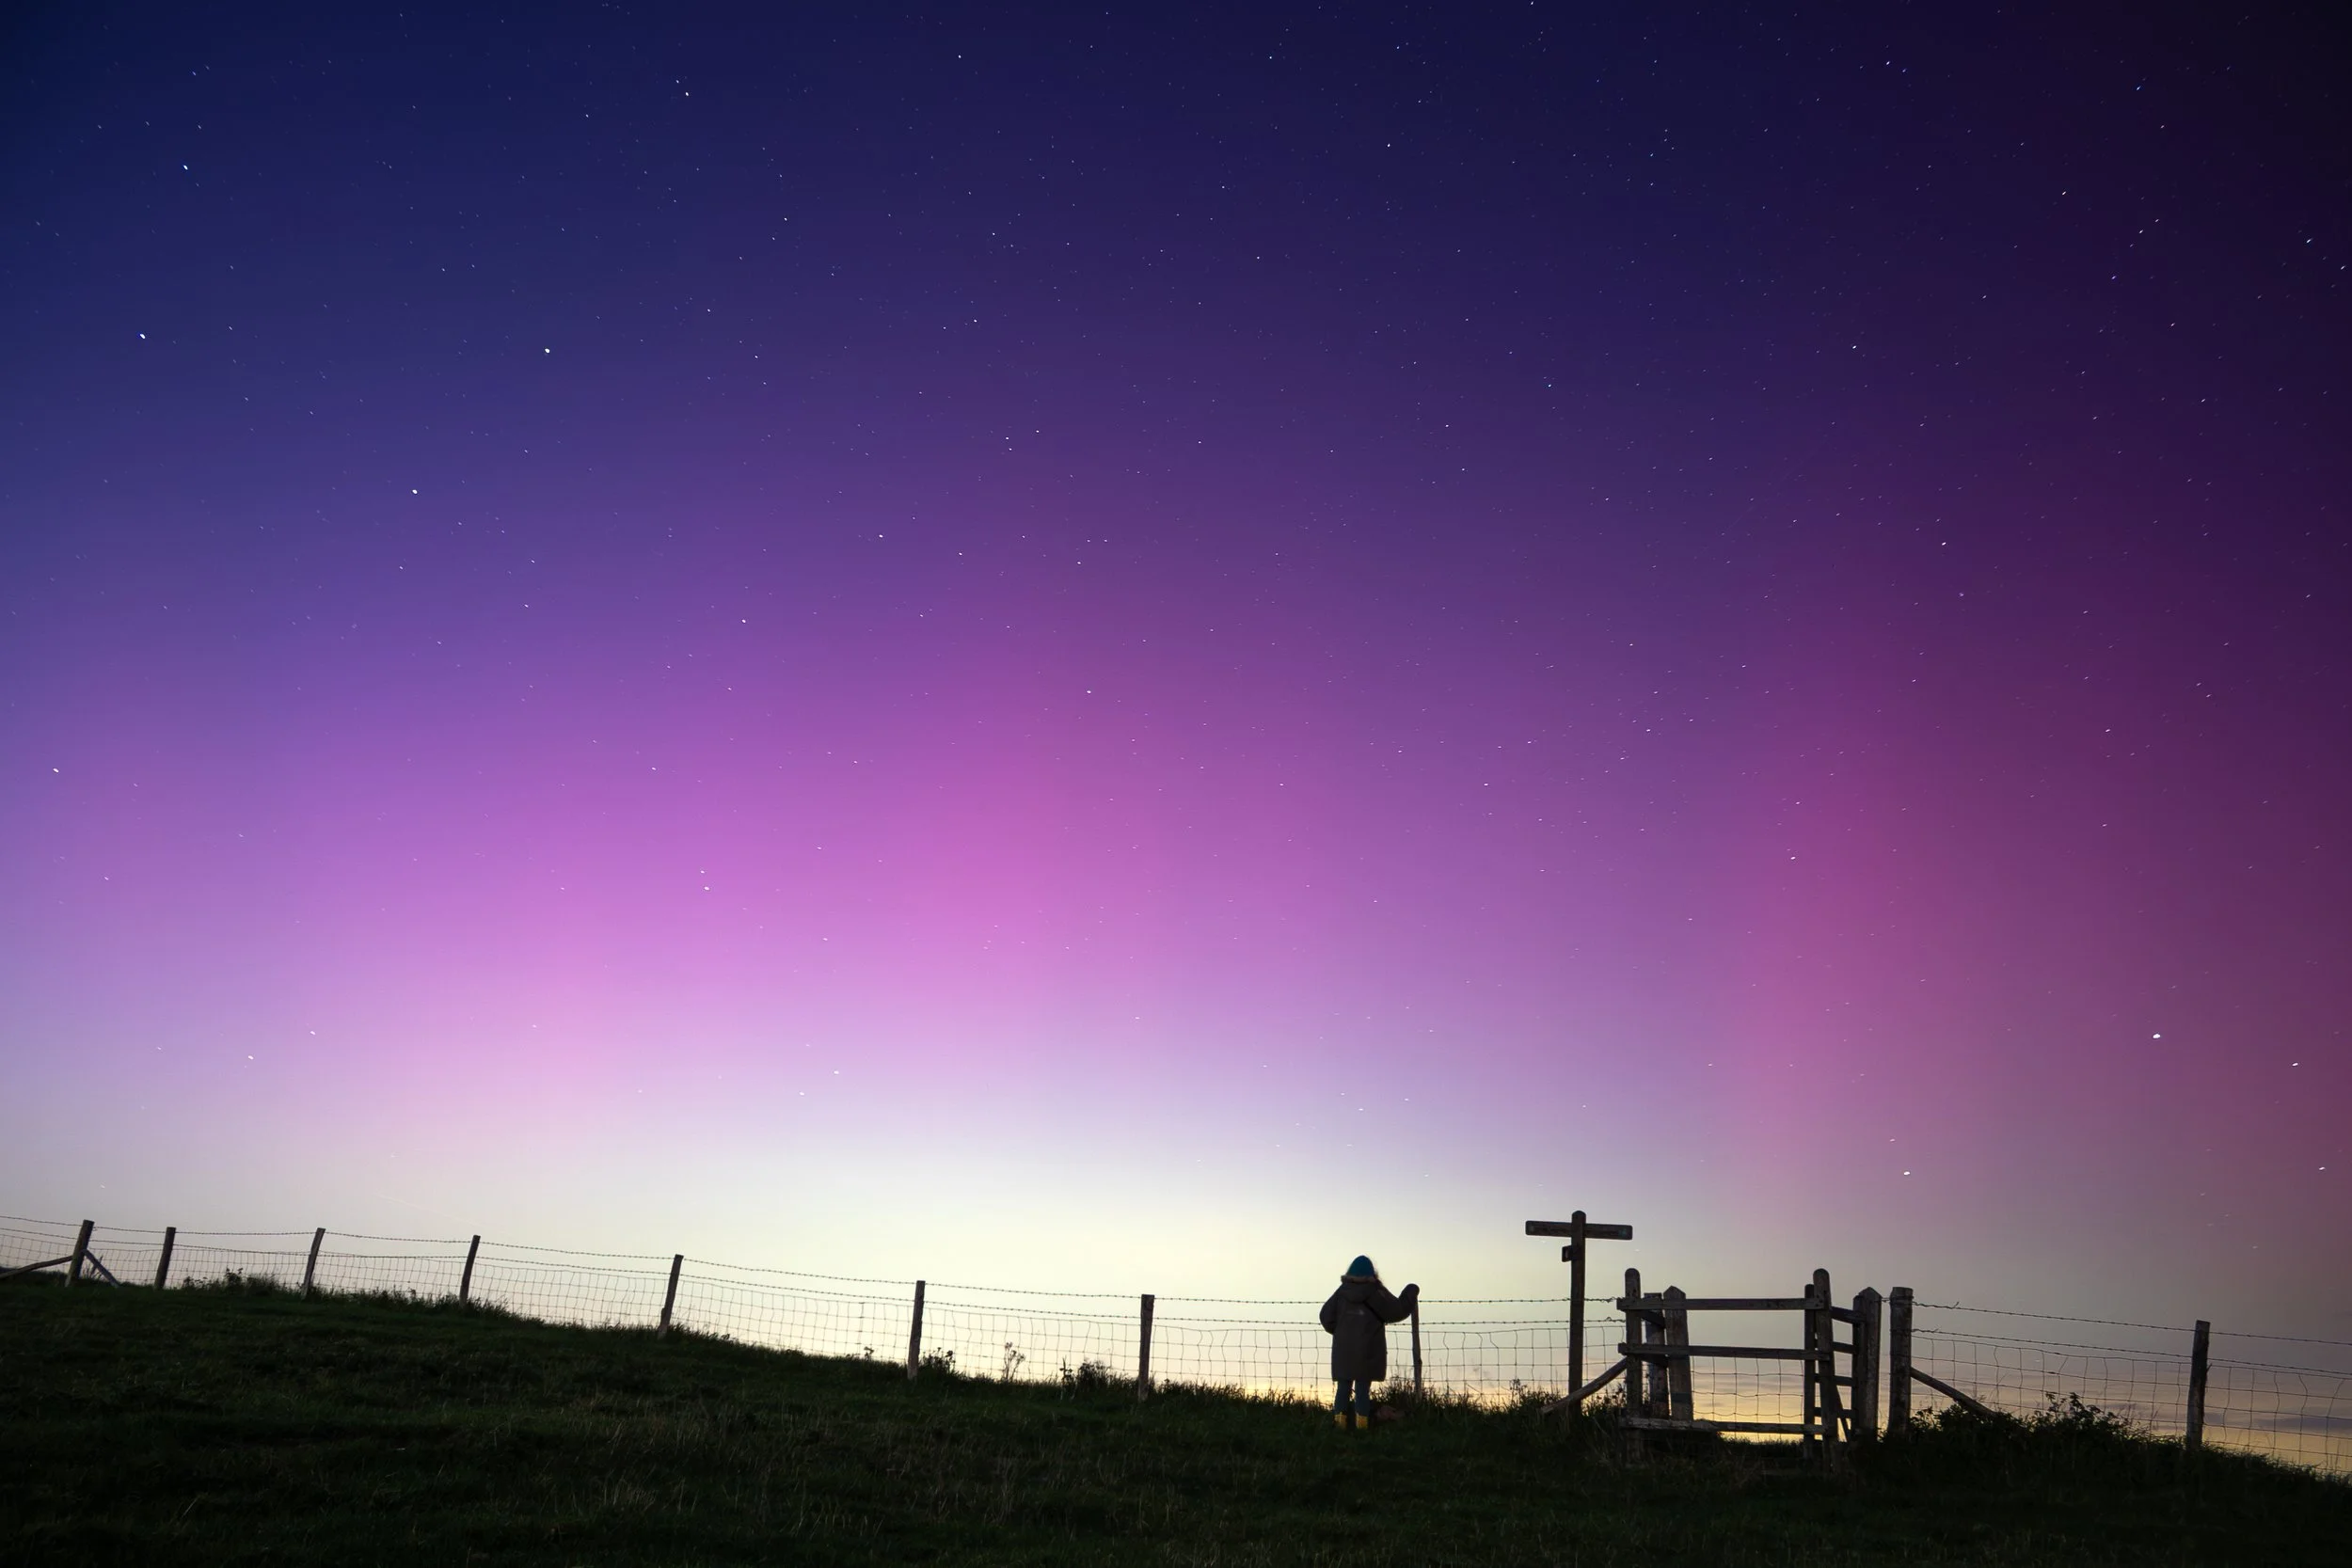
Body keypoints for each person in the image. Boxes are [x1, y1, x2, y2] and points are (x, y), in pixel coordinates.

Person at [1319, 1255, 1418, 1430]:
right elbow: (1396, 1311)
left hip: (1344, 1350)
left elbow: (1326, 1317)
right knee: (1363, 1389)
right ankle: (1362, 1426)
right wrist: (1411, 1292)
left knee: (1343, 1388)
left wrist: (1342, 1332)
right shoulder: (1376, 1292)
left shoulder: (1341, 1293)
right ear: (1372, 1274)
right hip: (1368, 1350)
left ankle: (1339, 1425)